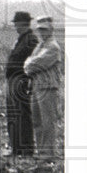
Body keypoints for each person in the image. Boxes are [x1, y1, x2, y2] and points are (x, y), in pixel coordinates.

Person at [24, 16, 63, 158]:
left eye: (44, 29)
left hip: (48, 87)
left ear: (51, 29)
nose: (41, 32)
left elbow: (35, 64)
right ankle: (41, 151)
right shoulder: (40, 46)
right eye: (39, 29)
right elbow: (29, 63)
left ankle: (48, 153)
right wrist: (29, 64)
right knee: (37, 120)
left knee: (47, 121)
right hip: (37, 86)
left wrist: (29, 64)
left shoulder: (53, 47)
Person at [4, 11, 37, 157]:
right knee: (13, 114)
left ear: (23, 24)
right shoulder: (21, 39)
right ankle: (16, 149)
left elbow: (33, 62)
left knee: (22, 115)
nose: (15, 26)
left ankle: (26, 150)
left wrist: (28, 79)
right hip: (13, 80)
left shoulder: (31, 39)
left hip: (21, 80)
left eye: (17, 24)